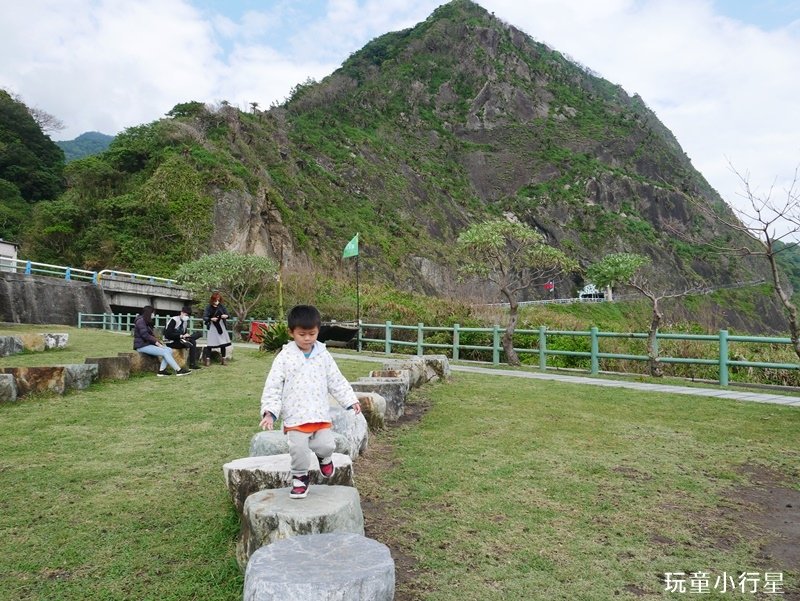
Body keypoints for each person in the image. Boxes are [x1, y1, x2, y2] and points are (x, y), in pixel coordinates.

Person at [259, 304, 361, 499]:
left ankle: (325, 458)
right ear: (291, 333)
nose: (307, 339)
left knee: (326, 445)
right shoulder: (284, 358)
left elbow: (336, 380)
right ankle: (300, 478)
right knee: (298, 451)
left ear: (318, 331)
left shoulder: (323, 355)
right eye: (302, 334)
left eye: (312, 334)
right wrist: (270, 412)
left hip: (318, 414)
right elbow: (273, 386)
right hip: (295, 417)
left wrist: (350, 400)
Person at [133, 305, 191, 377]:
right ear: (148, 313)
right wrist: (157, 343)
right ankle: (178, 370)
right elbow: (145, 335)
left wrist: (159, 343)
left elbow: (151, 336)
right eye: (152, 313)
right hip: (142, 346)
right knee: (165, 351)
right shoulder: (140, 321)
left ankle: (161, 371)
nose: (153, 314)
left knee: (169, 349)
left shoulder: (146, 321)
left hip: (147, 344)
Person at [164, 305, 203, 370]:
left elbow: (183, 333)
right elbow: (168, 334)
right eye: (186, 314)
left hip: (180, 340)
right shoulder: (174, 320)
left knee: (193, 340)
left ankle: (192, 364)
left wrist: (186, 335)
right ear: (181, 312)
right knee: (191, 342)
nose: (186, 316)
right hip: (170, 341)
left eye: (188, 315)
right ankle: (191, 364)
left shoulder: (185, 322)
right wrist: (181, 336)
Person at [202, 292, 232, 366]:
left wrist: (226, 316)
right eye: (215, 299)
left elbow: (228, 315)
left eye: (218, 299)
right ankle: (208, 360)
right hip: (212, 326)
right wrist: (211, 319)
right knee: (210, 344)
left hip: (221, 325)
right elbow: (205, 317)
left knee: (223, 343)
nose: (217, 301)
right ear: (212, 300)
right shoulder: (208, 307)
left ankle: (223, 359)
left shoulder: (221, 306)